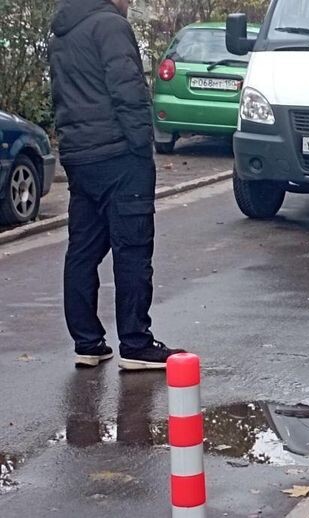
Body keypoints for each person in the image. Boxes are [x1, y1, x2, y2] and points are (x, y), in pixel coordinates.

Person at [50, 0, 185, 370]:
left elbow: (61, 95)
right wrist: (142, 147)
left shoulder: (62, 31)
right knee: (133, 249)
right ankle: (136, 343)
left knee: (83, 250)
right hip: (119, 156)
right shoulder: (110, 25)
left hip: (79, 156)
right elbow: (127, 91)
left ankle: (87, 343)